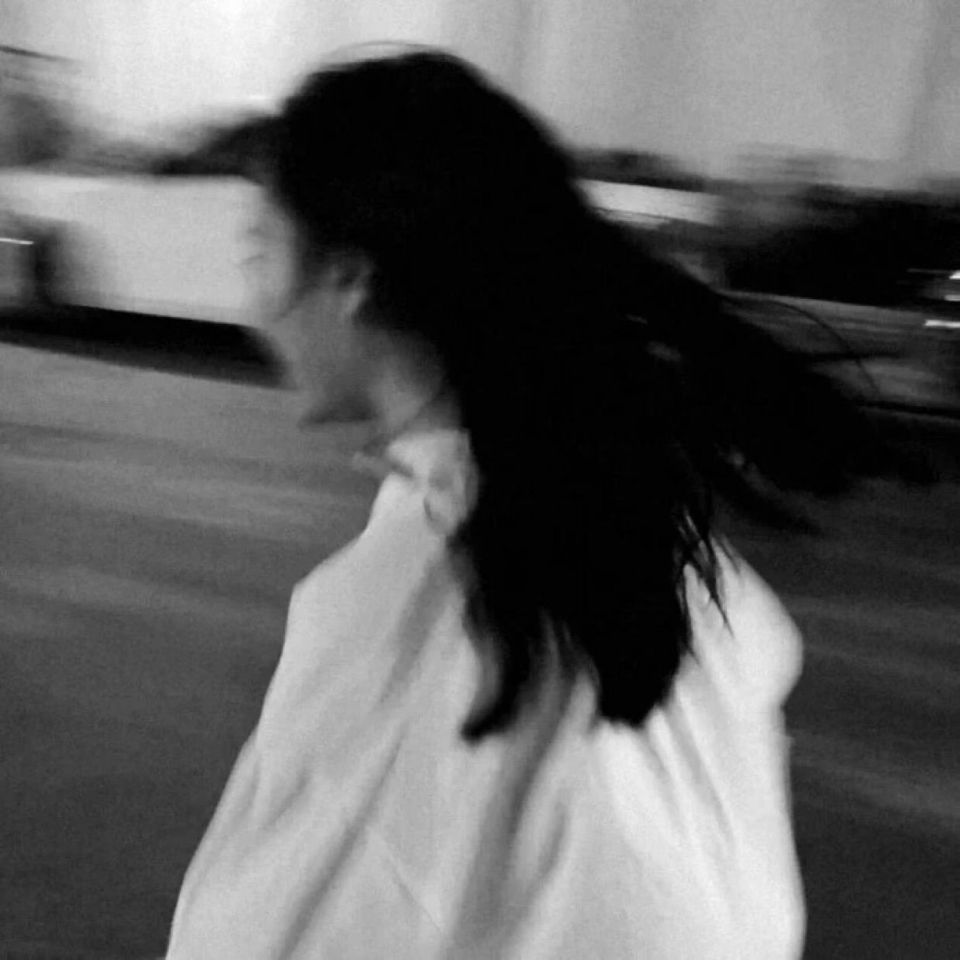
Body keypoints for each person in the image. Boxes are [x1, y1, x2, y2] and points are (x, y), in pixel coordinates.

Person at [163, 48, 885, 959]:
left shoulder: (417, 601)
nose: (252, 306)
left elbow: (267, 929)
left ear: (350, 278)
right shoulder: (649, 536)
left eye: (259, 253)